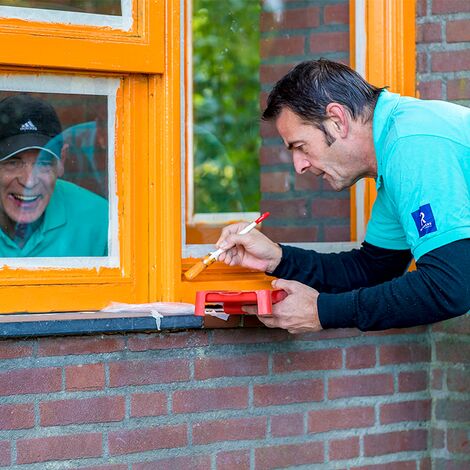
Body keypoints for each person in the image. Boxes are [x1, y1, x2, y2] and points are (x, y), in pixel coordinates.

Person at [216, 59, 470, 333]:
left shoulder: (412, 145)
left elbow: (449, 287)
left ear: (337, 120)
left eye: (301, 147)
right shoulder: (395, 149)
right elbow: (372, 270)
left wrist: (322, 311)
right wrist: (277, 259)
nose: (299, 166)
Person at [0, 94, 108, 257]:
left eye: (43, 162)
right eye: (13, 162)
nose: (29, 181)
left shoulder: (102, 220)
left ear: (61, 161)